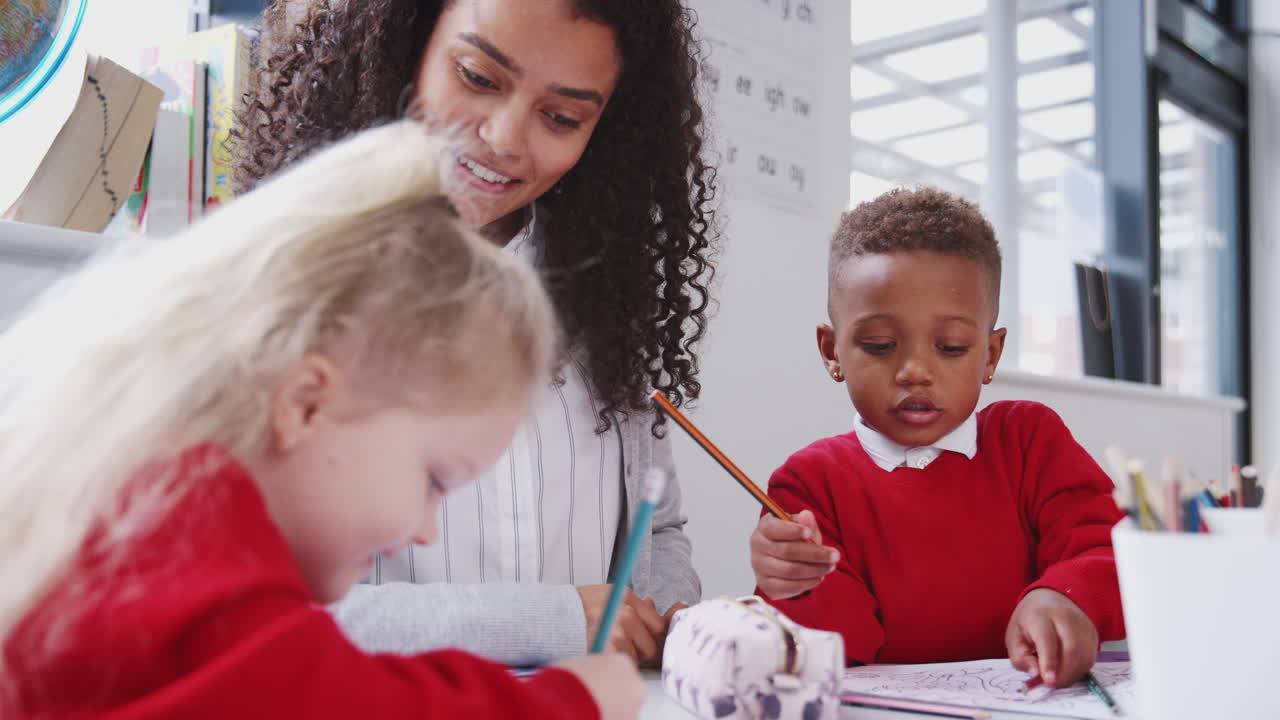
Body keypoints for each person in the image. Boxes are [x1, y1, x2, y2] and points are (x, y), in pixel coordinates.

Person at [0, 121, 643, 720]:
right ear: (305, 404)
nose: (425, 531)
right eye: (432, 481)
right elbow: (354, 702)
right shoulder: (194, 561)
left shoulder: (146, 508)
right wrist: (574, 700)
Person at [236, 0, 716, 667]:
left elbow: (654, 531)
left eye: (562, 117)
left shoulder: (610, 300)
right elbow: (257, 609)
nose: (505, 137)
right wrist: (547, 621)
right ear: (409, 46)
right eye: (478, 78)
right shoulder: (282, 287)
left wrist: (673, 621)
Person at [748, 187, 1126, 688]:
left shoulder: (1029, 442)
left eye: (950, 347)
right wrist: (793, 583)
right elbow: (844, 645)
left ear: (990, 354)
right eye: (880, 345)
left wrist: (1068, 596)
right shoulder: (808, 484)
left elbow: (1110, 550)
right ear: (832, 351)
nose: (915, 371)